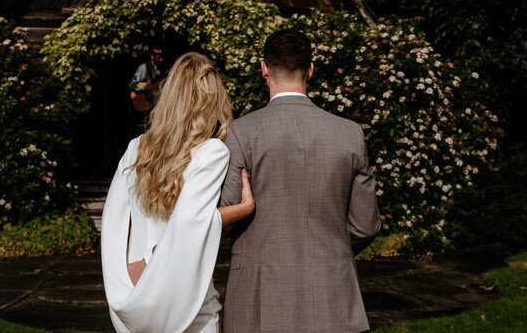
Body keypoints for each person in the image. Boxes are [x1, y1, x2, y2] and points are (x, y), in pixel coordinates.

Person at [219, 29, 382, 333]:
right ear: (310, 69)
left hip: (259, 297)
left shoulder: (240, 133)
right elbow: (366, 225)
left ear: (264, 68)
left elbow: (222, 218)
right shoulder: (349, 133)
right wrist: (330, 252)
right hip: (332, 292)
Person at [101, 52, 255, 333]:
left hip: (135, 293)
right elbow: (189, 223)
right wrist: (242, 209)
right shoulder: (211, 152)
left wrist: (126, 274)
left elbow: (113, 221)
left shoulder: (136, 148)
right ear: (211, 100)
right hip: (187, 306)